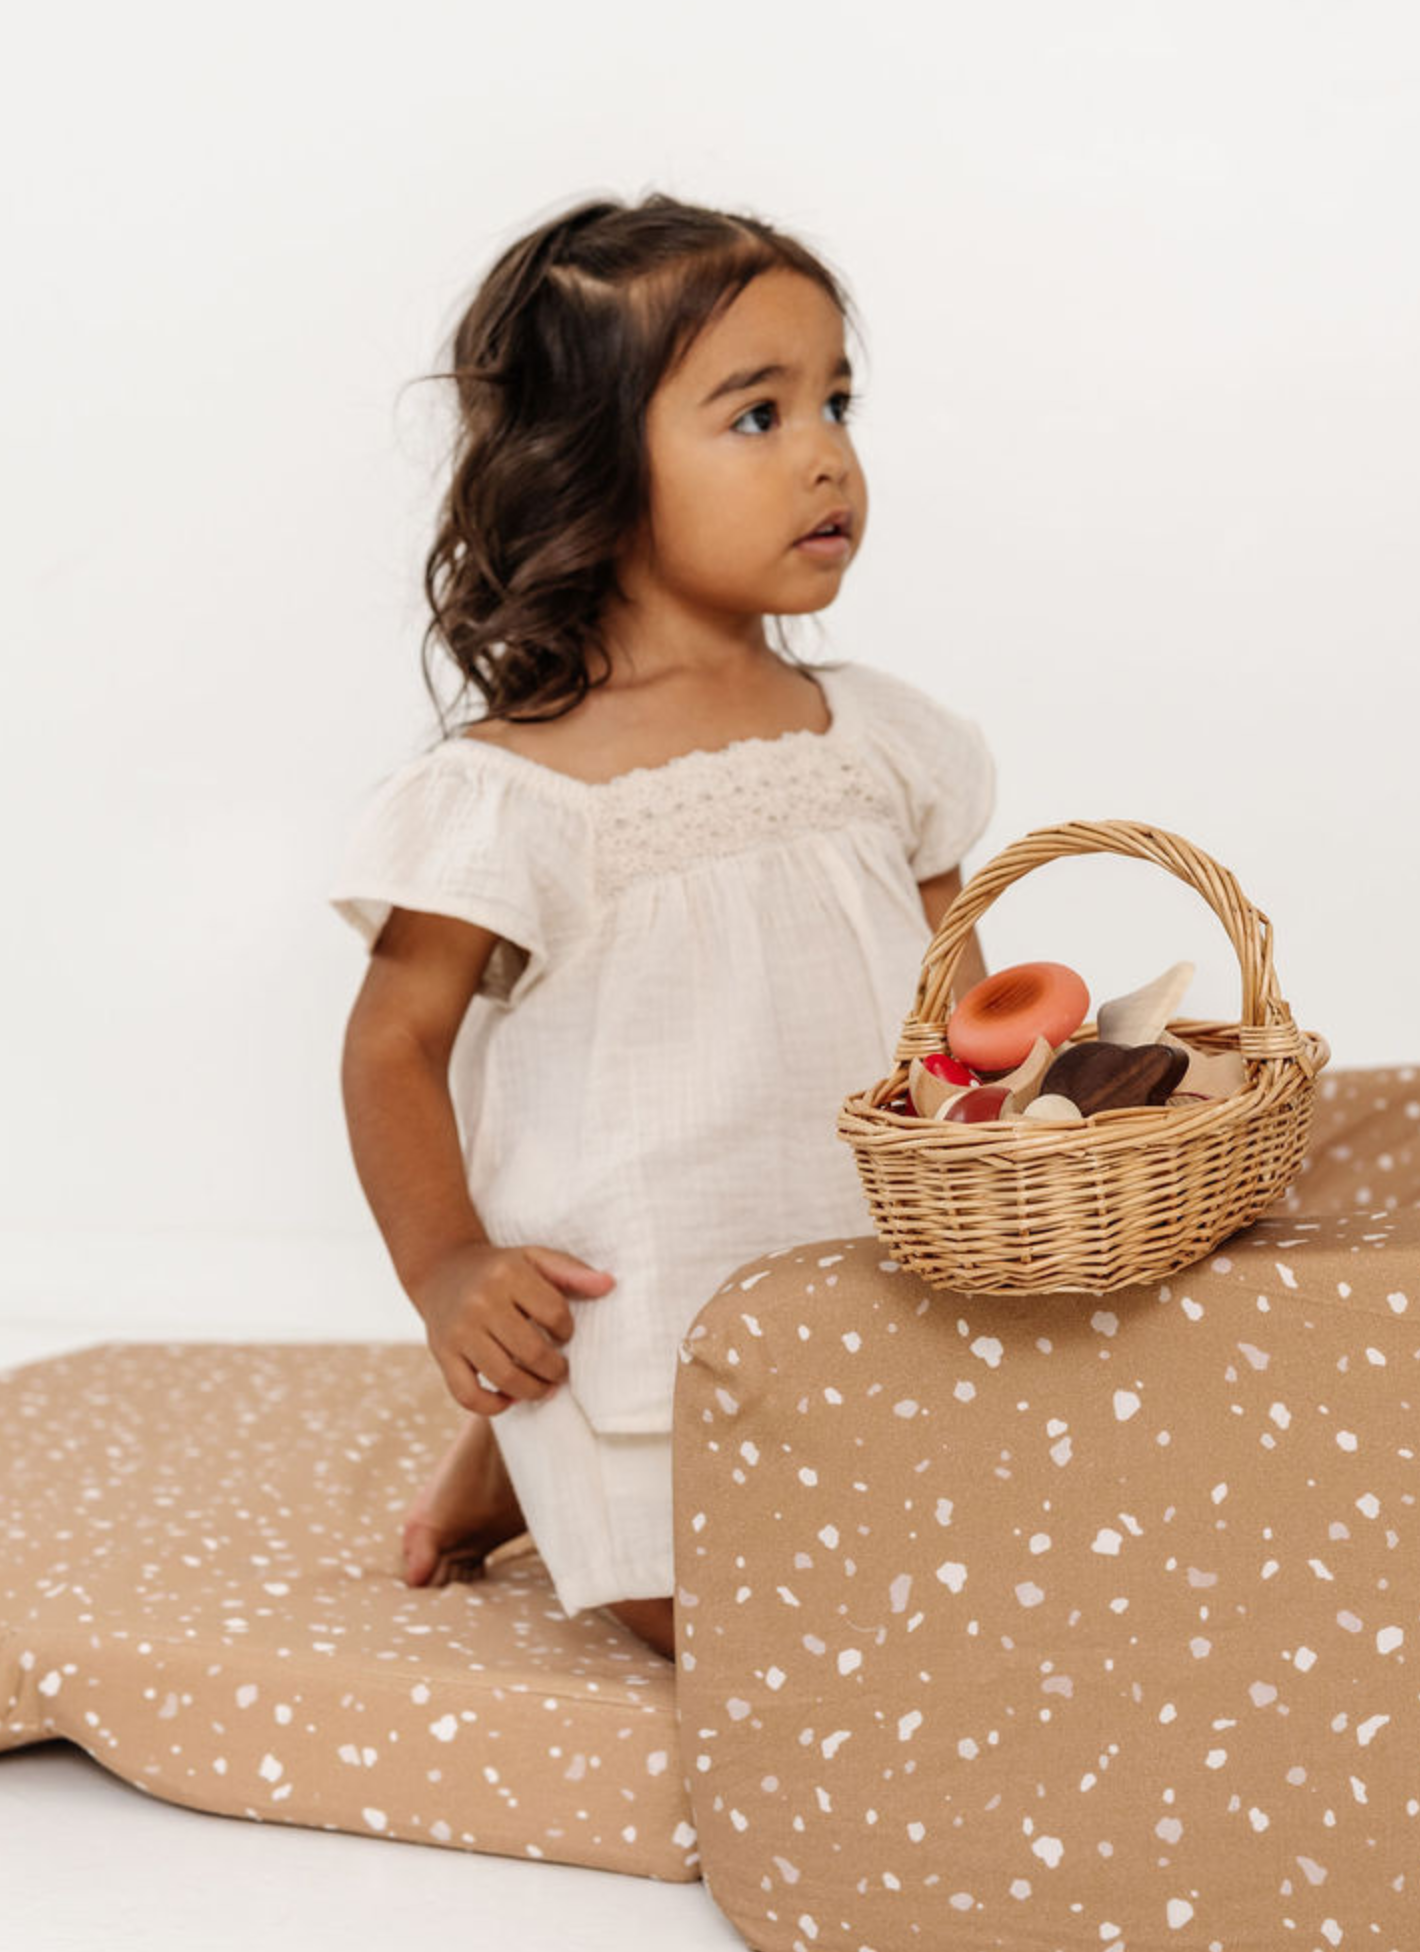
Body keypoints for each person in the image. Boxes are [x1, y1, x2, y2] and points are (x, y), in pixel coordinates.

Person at [329, 192, 995, 1663]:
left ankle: (512, 1463)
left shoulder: (874, 739)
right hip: (633, 1318)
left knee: (975, 1577)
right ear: (596, 471)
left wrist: (1014, 1126)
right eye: (755, 415)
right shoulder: (516, 793)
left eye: (835, 399)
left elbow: (960, 998)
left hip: (871, 1287)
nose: (827, 451)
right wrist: (447, 1267)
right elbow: (394, 1042)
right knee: (751, 1635)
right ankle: (540, 1436)